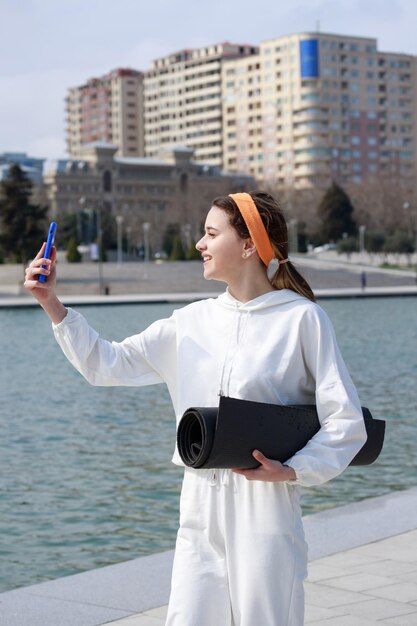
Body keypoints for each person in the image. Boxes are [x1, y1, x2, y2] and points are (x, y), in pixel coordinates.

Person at [24, 191, 367, 626]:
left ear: (248, 245)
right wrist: (51, 303)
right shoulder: (188, 322)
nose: (199, 245)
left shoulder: (302, 319)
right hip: (199, 501)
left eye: (210, 233)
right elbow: (105, 363)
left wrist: (296, 469)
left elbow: (345, 421)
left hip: (265, 504)